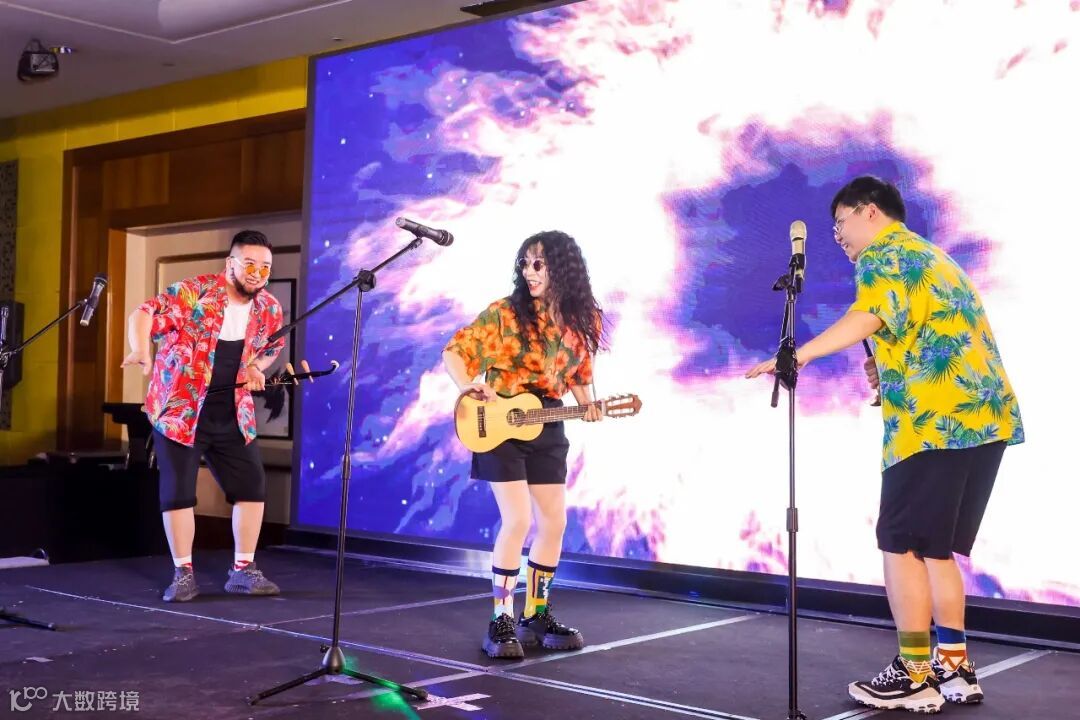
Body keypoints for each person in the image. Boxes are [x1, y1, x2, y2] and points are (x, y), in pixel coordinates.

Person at [746, 176, 1024, 713]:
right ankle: (954, 667)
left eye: (841, 223)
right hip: (984, 420)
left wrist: (797, 354)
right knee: (935, 549)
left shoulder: (883, 254)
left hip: (932, 425)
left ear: (869, 212)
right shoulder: (933, 258)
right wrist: (887, 370)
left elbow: (868, 314)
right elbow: (924, 332)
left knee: (901, 544)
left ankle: (914, 674)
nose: (838, 236)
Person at [443, 230, 607, 659]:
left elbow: (579, 373)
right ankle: (501, 618)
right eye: (525, 263)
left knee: (554, 523)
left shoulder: (581, 319)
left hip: (547, 421)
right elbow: (456, 352)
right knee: (516, 520)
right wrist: (466, 387)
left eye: (539, 264)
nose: (529, 272)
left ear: (562, 269)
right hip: (499, 422)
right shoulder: (505, 314)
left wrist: (589, 406)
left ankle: (536, 613)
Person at [123, 230, 286, 603]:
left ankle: (243, 570)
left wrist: (256, 367)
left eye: (265, 267)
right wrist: (141, 349)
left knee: (252, 487)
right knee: (179, 492)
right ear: (231, 263)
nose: (257, 273)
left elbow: (272, 346)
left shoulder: (269, 307)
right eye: (249, 264)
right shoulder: (195, 292)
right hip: (180, 410)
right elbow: (144, 313)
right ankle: (183, 574)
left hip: (232, 411)